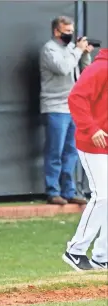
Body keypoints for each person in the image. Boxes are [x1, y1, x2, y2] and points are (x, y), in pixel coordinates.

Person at [62, 48, 108, 271]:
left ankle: (102, 255)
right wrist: (91, 128)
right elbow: (76, 97)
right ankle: (75, 250)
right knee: (102, 195)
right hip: (93, 143)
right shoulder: (101, 67)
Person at [40, 16, 93, 205]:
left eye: (72, 31)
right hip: (55, 106)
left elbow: (86, 73)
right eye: (66, 31)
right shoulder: (49, 49)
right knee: (55, 150)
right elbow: (63, 68)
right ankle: (53, 191)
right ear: (56, 31)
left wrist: (84, 54)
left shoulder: (72, 50)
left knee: (71, 151)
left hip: (73, 108)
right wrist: (77, 50)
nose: (70, 35)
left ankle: (69, 191)